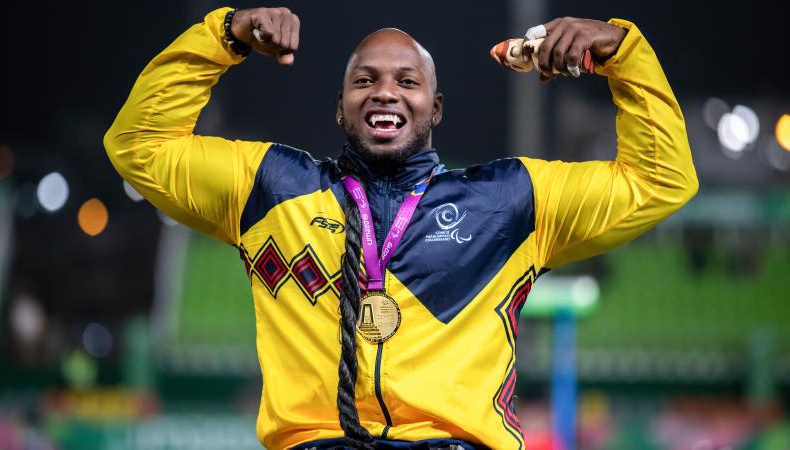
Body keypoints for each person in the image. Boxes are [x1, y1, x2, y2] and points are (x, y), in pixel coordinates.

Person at [104, 5, 697, 450]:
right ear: (340, 106)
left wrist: (623, 53)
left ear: (435, 108)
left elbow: (662, 179)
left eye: (407, 81)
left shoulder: (509, 201)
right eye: (365, 80)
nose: (385, 91)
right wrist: (223, 35)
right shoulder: (269, 186)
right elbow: (137, 146)